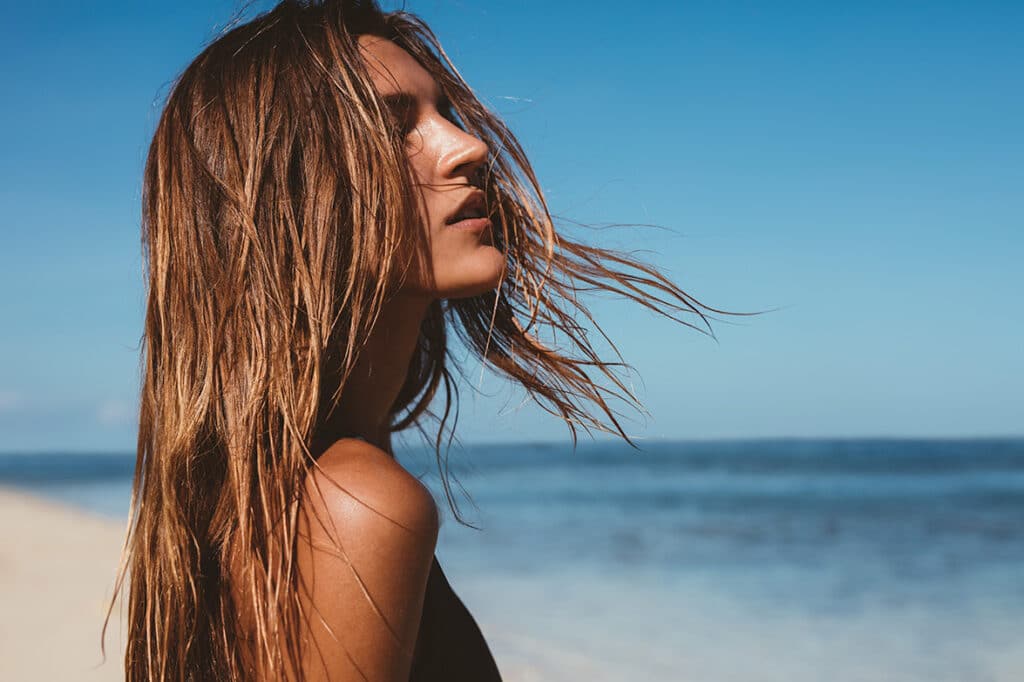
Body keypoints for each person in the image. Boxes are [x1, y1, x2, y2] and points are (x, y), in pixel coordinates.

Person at [107, 1, 732, 679]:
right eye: (393, 125)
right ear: (285, 192)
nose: (469, 147)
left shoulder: (266, 497)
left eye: (444, 116)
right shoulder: (354, 507)